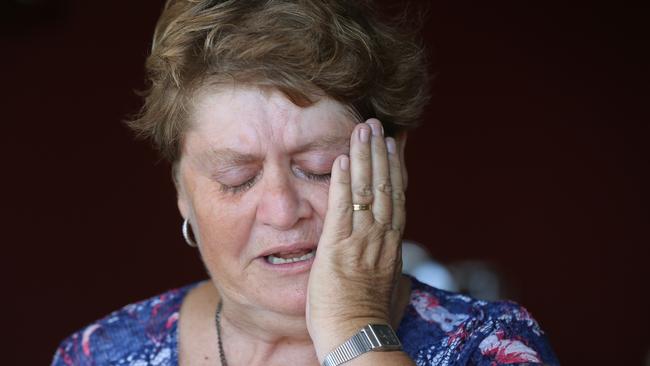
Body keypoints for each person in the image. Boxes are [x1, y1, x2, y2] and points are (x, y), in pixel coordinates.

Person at [52, 1, 559, 365]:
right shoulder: (98, 355)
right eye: (238, 178)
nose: (282, 209)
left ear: (393, 161)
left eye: (318, 166)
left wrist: (355, 328)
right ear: (182, 190)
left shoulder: (490, 345)